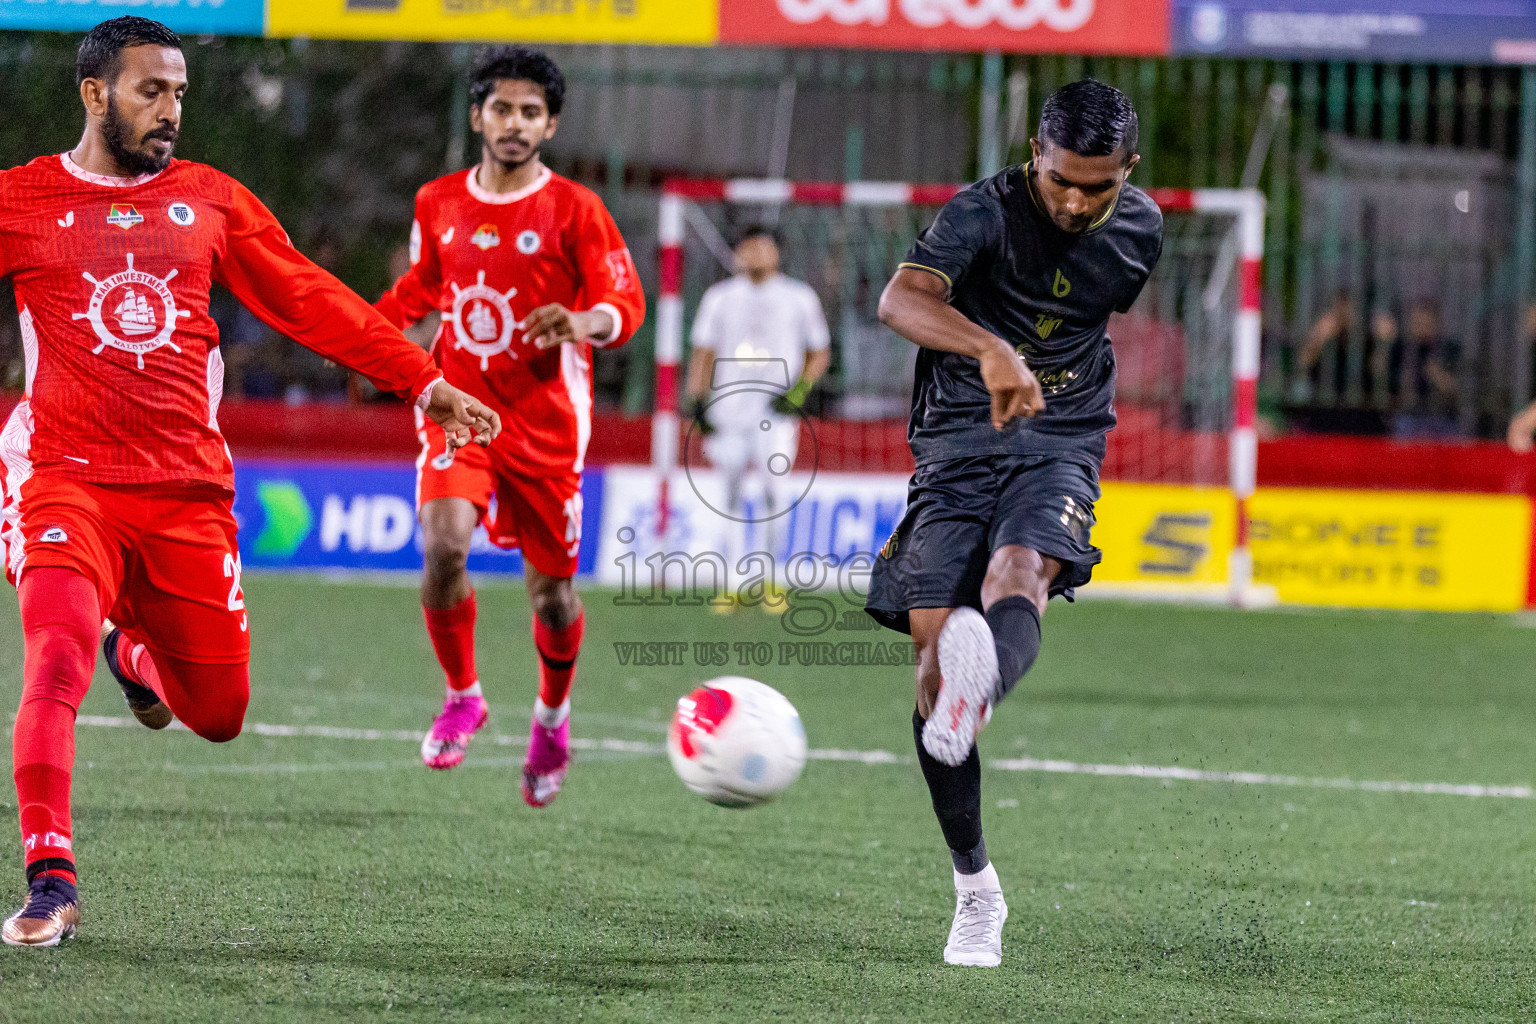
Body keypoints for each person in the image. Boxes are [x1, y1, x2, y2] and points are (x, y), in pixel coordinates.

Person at [0, 17, 500, 946]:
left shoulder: (211, 201)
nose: (171, 110)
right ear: (93, 94)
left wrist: (421, 380)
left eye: (181, 93)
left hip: (186, 493)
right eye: (152, 90)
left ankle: (135, 653)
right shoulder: (22, 200)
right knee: (53, 657)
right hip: (66, 480)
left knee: (220, 716)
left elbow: (310, 299)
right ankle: (50, 877)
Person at [866, 79, 1162, 967]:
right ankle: (976, 889)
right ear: (1036, 155)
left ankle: (977, 687)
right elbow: (900, 301)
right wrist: (993, 349)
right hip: (958, 438)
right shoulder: (979, 213)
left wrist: (1044, 384)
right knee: (930, 657)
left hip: (1062, 438)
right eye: (1061, 180)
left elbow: (1084, 323)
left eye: (1097, 187)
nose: (1076, 202)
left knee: (1020, 573)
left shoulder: (1141, 230)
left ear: (1129, 172)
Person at [374, 46, 645, 806]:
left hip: (548, 425)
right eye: (502, 108)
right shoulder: (437, 202)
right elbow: (425, 286)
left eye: (531, 112)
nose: (515, 123)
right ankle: (463, 693)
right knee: (444, 544)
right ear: (478, 116)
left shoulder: (576, 210)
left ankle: (552, 719)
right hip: (460, 409)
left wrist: (582, 320)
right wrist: (361, 331)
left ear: (550, 124)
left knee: (552, 596)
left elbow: (625, 305)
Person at [685, 225, 830, 581]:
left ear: (777, 253)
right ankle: (732, 579)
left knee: (773, 491)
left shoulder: (799, 297)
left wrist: (799, 391)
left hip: (776, 412)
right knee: (729, 492)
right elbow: (703, 353)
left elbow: (820, 353)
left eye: (762, 247)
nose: (754, 254)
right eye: (747, 248)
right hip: (729, 410)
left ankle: (768, 577)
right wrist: (697, 401)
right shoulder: (719, 297)